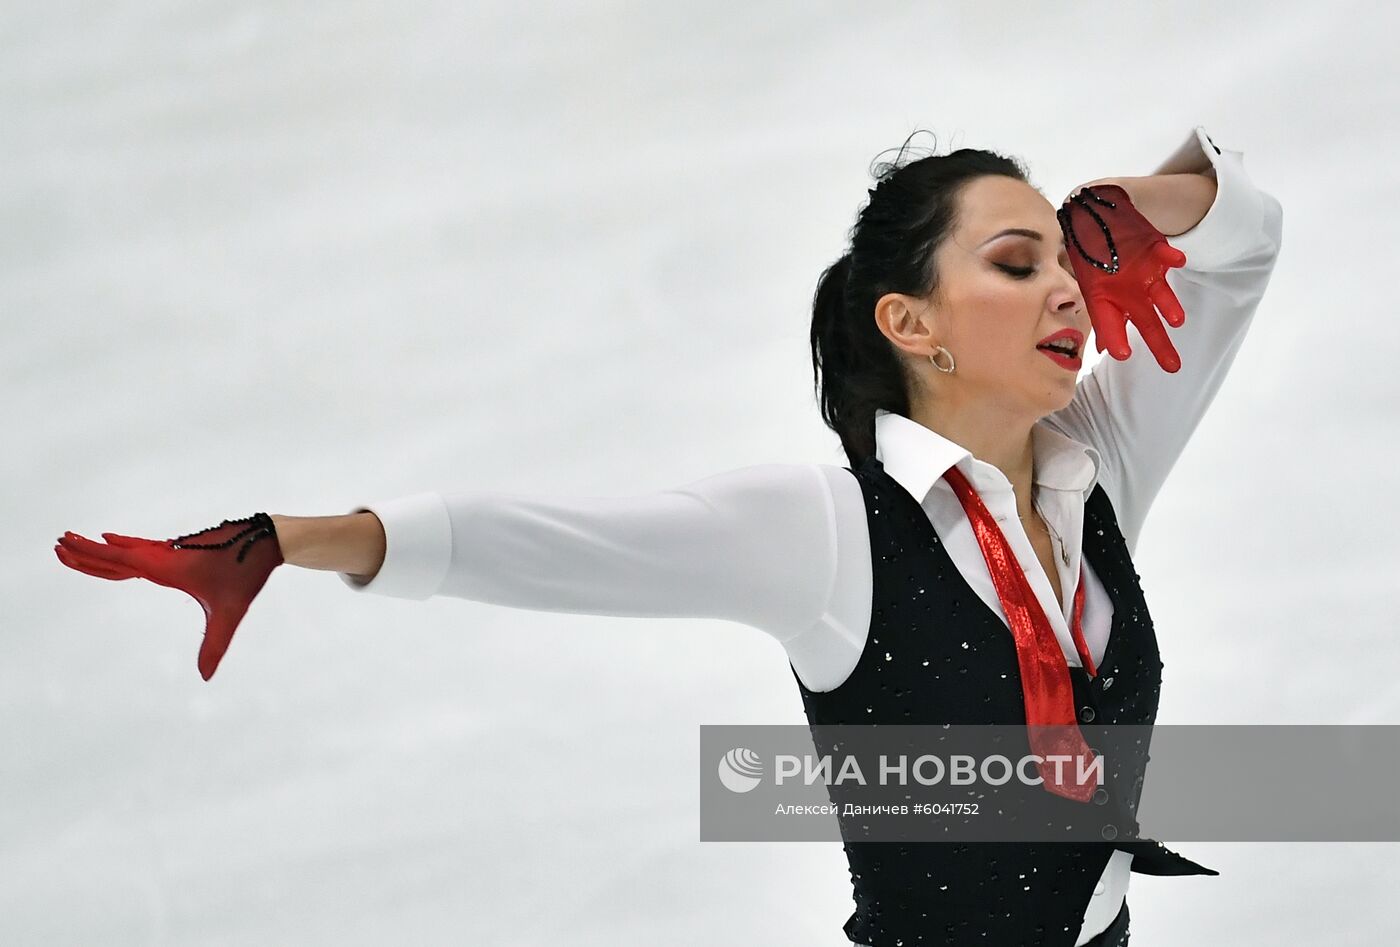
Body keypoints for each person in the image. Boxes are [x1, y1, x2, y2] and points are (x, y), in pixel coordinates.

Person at [54, 124, 1283, 946]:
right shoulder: (829, 533)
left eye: (1067, 256)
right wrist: (278, 537)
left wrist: (1132, 203)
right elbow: (549, 541)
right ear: (913, 323)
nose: (1067, 283)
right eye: (1018, 263)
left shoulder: (1096, 469)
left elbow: (1245, 243)